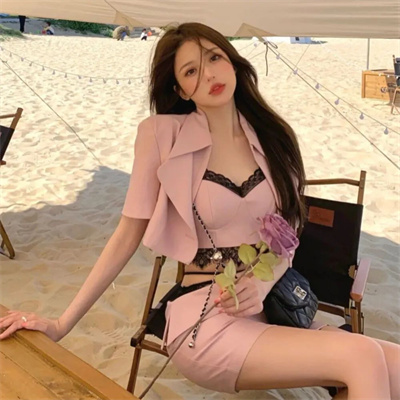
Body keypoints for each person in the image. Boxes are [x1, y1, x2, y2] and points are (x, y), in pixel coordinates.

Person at [0, 22, 398, 399]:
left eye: (214, 57)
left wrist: (264, 282)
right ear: (181, 89)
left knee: (390, 363)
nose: (209, 74)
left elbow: (287, 233)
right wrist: (61, 323)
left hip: (272, 308)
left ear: (232, 61)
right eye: (191, 71)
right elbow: (126, 234)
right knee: (361, 356)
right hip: (206, 319)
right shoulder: (161, 135)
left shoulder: (273, 136)